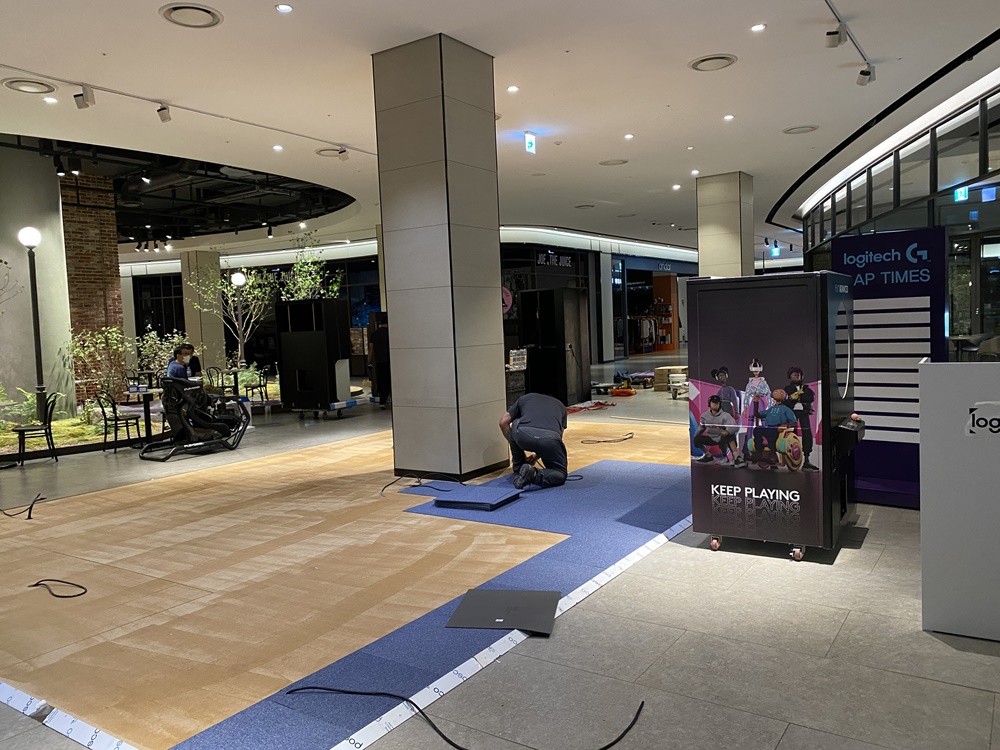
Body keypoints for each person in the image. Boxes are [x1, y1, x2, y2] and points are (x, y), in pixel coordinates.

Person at [500, 392, 568, 489]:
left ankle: (519, 467)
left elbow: (503, 423)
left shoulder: (525, 398)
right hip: (549, 439)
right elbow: (558, 438)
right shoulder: (561, 406)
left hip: (523, 434)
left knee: (516, 424)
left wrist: (514, 442)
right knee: (559, 473)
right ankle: (535, 474)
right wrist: (536, 457)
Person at [751, 388, 798, 468]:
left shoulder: (786, 409)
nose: (778, 392)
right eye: (776, 391)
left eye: (781, 392)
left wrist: (786, 425)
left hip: (777, 428)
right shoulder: (770, 409)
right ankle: (759, 452)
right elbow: (757, 414)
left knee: (772, 432)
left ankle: (772, 453)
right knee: (757, 430)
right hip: (768, 428)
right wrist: (756, 402)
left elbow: (794, 423)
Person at [784, 366, 818, 472]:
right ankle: (792, 458)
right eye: (794, 375)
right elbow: (785, 400)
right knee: (791, 435)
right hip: (791, 414)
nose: (796, 376)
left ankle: (806, 459)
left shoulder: (806, 388)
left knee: (807, 433)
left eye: (798, 375)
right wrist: (792, 398)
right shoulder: (787, 389)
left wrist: (798, 397)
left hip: (804, 413)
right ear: (790, 376)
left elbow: (811, 397)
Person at [693, 395, 738, 465]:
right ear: (709, 403)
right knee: (697, 439)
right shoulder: (704, 416)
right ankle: (708, 456)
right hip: (711, 438)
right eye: (713, 402)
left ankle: (735, 457)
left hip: (722, 437)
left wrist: (727, 431)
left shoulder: (726, 415)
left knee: (730, 435)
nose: (715, 404)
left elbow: (734, 427)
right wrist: (695, 435)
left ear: (720, 404)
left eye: (717, 402)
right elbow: (701, 428)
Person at [368, 316, 391, 408]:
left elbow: (371, 348)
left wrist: (369, 360)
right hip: (388, 361)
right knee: (387, 381)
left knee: (380, 380)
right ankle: (385, 400)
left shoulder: (374, 334)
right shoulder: (389, 333)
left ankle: (382, 400)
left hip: (379, 361)